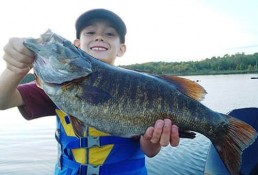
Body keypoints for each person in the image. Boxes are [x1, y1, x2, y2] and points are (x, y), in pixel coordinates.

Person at [0, 9, 180, 175]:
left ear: (122, 48)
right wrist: (15, 69)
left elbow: (150, 151)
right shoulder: (54, 84)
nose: (100, 37)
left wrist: (154, 139)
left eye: (110, 34)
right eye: (90, 32)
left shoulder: (140, 90)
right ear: (76, 44)